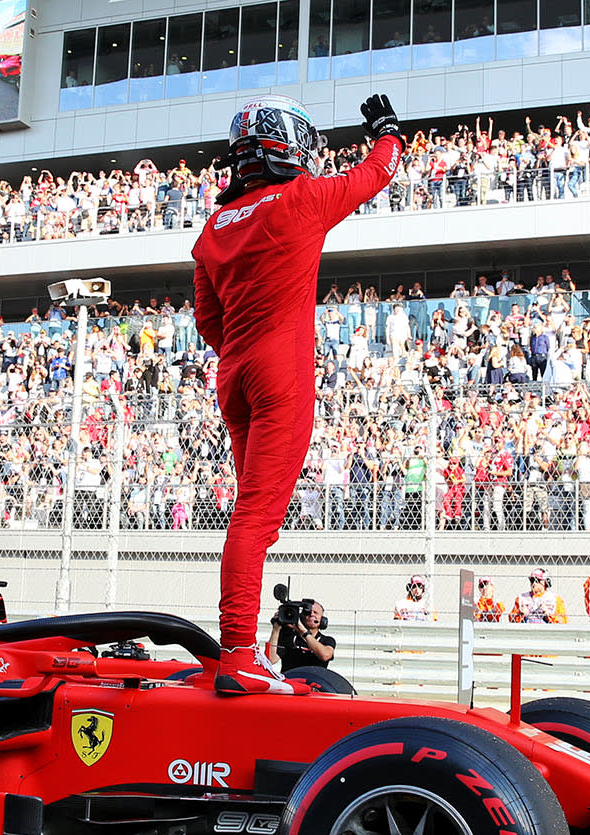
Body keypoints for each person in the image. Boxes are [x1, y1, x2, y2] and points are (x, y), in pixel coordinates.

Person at [194, 92, 403, 694]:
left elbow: (208, 320)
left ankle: (244, 648)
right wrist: (388, 131)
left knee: (253, 516)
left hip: (233, 372)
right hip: (278, 370)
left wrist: (242, 347)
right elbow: (376, 173)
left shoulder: (213, 226)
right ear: (288, 146)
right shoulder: (301, 199)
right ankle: (238, 651)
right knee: (257, 518)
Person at [268, 598, 336, 671]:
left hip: (314, 677)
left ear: (322, 620)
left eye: (315, 612)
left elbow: (325, 655)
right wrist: (276, 629)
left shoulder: (327, 640)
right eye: (308, 612)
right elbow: (271, 659)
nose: (311, 614)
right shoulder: (290, 637)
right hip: (291, 677)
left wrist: (304, 632)